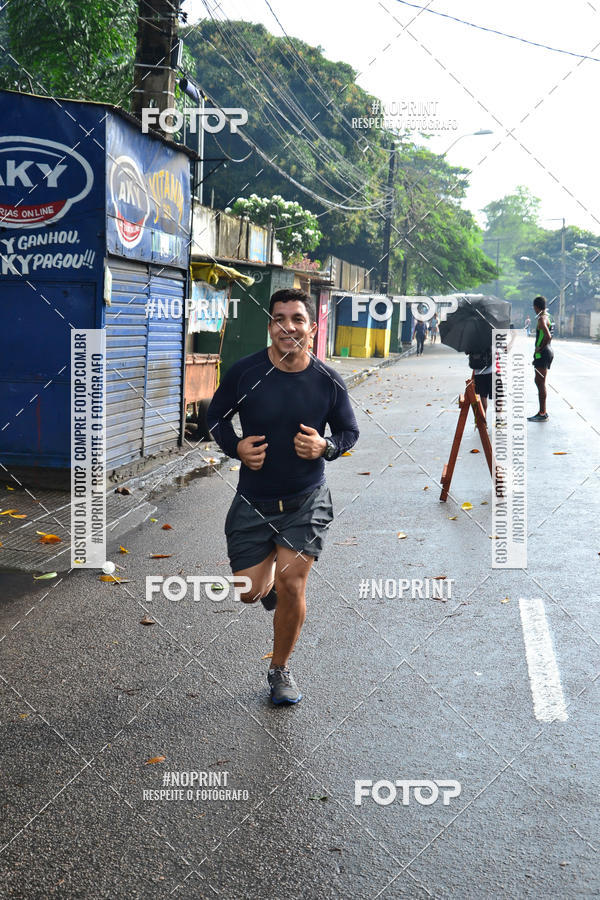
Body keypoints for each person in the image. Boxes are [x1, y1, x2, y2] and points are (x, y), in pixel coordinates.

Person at [207, 288, 359, 705]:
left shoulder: (327, 380)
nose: (288, 326)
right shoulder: (245, 372)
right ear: (269, 326)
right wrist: (234, 447)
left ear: (311, 327)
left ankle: (279, 669)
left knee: (294, 583)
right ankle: (265, 583)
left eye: (297, 319)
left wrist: (326, 447)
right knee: (248, 592)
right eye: (279, 319)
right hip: (254, 500)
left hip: (305, 499)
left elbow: (349, 431)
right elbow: (215, 416)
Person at [528, 295, 553, 422]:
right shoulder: (547, 317)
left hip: (543, 354)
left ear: (536, 307)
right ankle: (542, 412)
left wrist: (539, 348)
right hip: (545, 354)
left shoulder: (541, 319)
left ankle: (542, 413)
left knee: (540, 383)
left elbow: (548, 336)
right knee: (539, 382)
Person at [468, 346, 492, 424]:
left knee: (482, 397)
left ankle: (483, 420)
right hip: (492, 371)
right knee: (498, 396)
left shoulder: (471, 339)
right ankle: (498, 419)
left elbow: (467, 351)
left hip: (478, 372)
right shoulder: (489, 337)